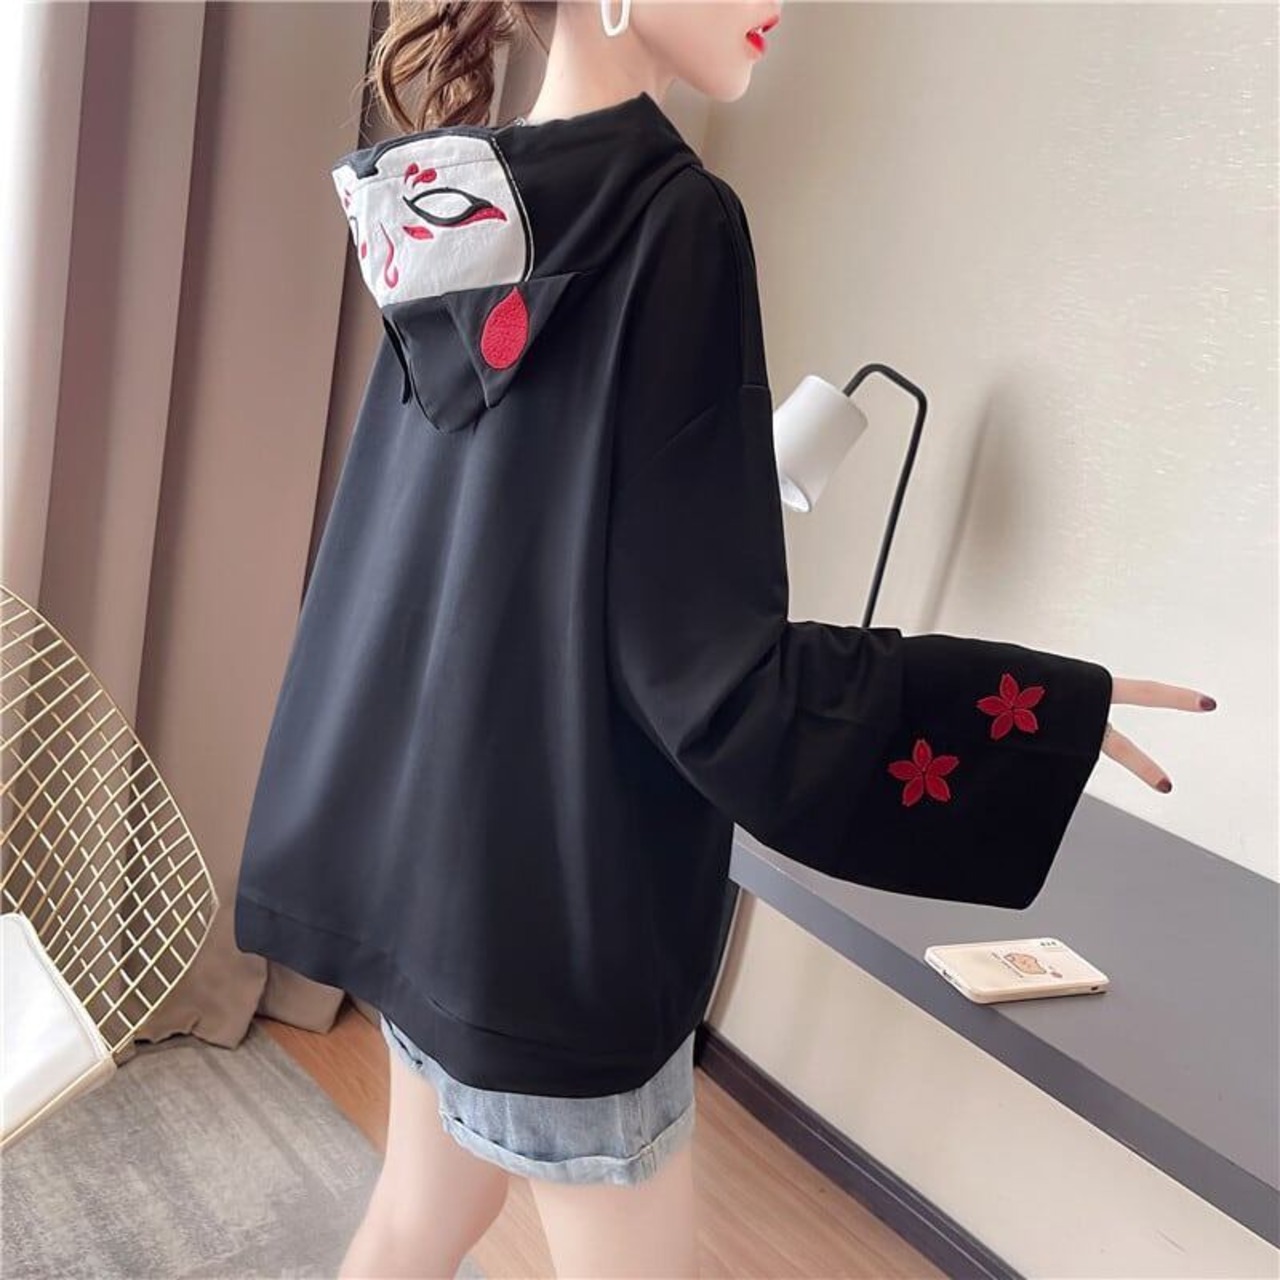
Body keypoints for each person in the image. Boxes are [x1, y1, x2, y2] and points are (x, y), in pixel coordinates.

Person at [231, 2, 1217, 1276]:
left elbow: (415, 564)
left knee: (418, 1220)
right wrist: (1026, 713)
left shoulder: (454, 205)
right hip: (556, 909)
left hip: (422, 866)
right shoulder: (673, 221)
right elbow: (711, 677)